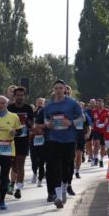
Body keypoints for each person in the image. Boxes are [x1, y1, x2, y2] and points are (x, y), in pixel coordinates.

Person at [35, 80, 83, 209]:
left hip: (69, 139)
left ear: (65, 90)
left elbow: (82, 118)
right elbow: (46, 120)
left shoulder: (72, 103)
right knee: (55, 167)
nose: (58, 90)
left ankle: (64, 187)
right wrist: (48, 125)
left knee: (67, 165)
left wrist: (71, 123)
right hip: (54, 138)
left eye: (61, 88)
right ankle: (58, 196)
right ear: (53, 90)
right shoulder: (49, 105)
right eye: (56, 88)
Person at [5, 86, 34, 199]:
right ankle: (12, 183)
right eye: (18, 95)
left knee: (21, 163)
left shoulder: (28, 108)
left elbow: (31, 122)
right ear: (14, 96)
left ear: (24, 96)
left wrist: (29, 125)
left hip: (23, 139)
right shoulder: (10, 108)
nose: (20, 97)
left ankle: (19, 188)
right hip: (11, 139)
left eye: (22, 95)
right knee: (13, 164)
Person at [30, 97, 46, 185]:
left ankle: (40, 179)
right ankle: (34, 173)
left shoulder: (46, 114)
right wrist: (32, 130)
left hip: (43, 139)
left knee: (42, 160)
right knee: (34, 159)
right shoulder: (32, 114)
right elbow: (29, 124)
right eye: (39, 102)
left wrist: (43, 129)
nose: (40, 104)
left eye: (41, 102)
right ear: (36, 103)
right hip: (33, 138)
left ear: (44, 104)